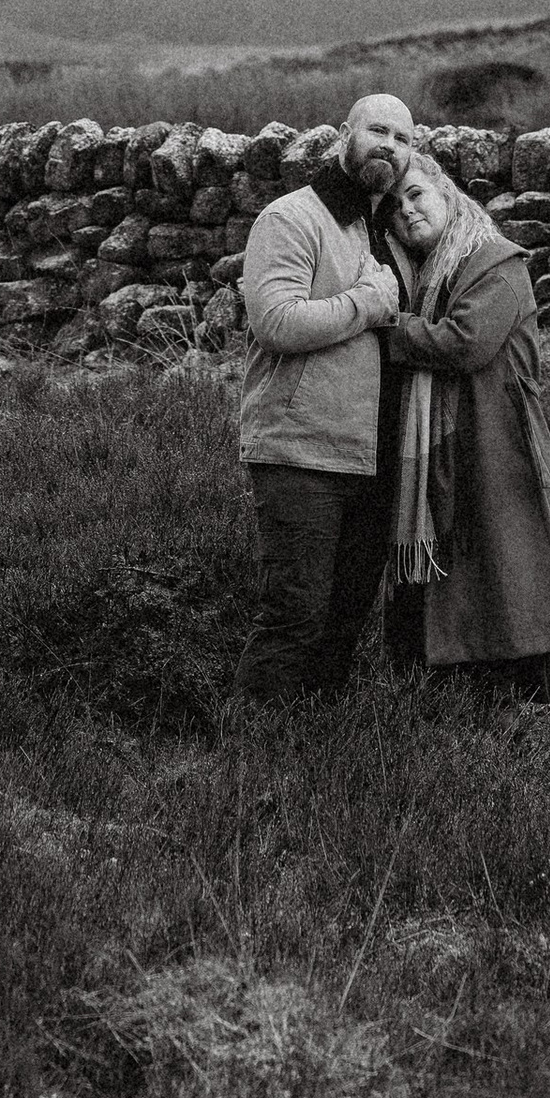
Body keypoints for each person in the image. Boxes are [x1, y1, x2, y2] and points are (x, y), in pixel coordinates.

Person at [381, 141, 550, 703]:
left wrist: (387, 328)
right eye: (394, 207)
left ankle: (525, 700)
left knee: (508, 562)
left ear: (445, 192)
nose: (407, 211)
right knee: (464, 558)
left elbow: (466, 342)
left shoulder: (497, 263)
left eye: (415, 194)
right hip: (460, 437)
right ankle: (453, 693)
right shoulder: (427, 275)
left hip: (502, 441)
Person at [232, 91, 416, 699]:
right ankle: (249, 746)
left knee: (344, 621)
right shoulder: (290, 219)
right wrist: (368, 303)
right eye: (378, 131)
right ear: (344, 136)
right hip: (301, 452)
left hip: (373, 457)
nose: (389, 146)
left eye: (403, 139)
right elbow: (277, 323)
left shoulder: (387, 231)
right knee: (295, 617)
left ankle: (312, 745)